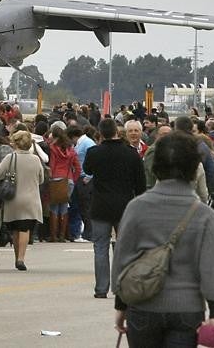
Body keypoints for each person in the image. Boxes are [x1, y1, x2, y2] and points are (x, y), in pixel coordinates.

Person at [112, 132, 214, 347]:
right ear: (194, 167)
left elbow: (122, 258)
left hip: (143, 304)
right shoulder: (204, 214)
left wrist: (121, 304)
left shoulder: (136, 207)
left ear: (156, 165)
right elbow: (212, 265)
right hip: (187, 307)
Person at [83, 118, 146, 299]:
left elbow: (87, 169)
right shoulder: (131, 154)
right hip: (124, 206)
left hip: (100, 205)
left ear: (100, 134)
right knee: (124, 247)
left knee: (100, 247)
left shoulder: (94, 152)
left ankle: (101, 288)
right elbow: (140, 184)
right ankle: (121, 287)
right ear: (118, 132)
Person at [0, 130, 45, 271]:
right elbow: (41, 179)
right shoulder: (36, 159)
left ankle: (16, 257)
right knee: (25, 229)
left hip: (13, 199)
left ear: (16, 143)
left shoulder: (10, 157)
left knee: (15, 229)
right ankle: (21, 258)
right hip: (31, 199)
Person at [46, 124, 81, 243]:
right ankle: (62, 235)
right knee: (64, 207)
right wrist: (73, 179)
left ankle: (53, 235)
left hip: (56, 179)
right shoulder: (71, 150)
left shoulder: (52, 148)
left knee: (54, 208)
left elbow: (52, 165)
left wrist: (50, 178)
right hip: (68, 180)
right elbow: (78, 167)